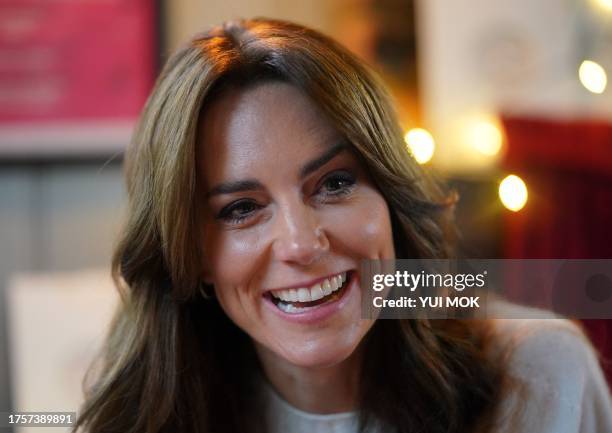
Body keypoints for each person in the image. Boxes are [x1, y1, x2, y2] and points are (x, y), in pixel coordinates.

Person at [74, 18, 612, 433]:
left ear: (390, 196)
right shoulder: (142, 411)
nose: (302, 243)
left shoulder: (542, 375)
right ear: (190, 254)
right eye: (240, 209)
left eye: (333, 184)